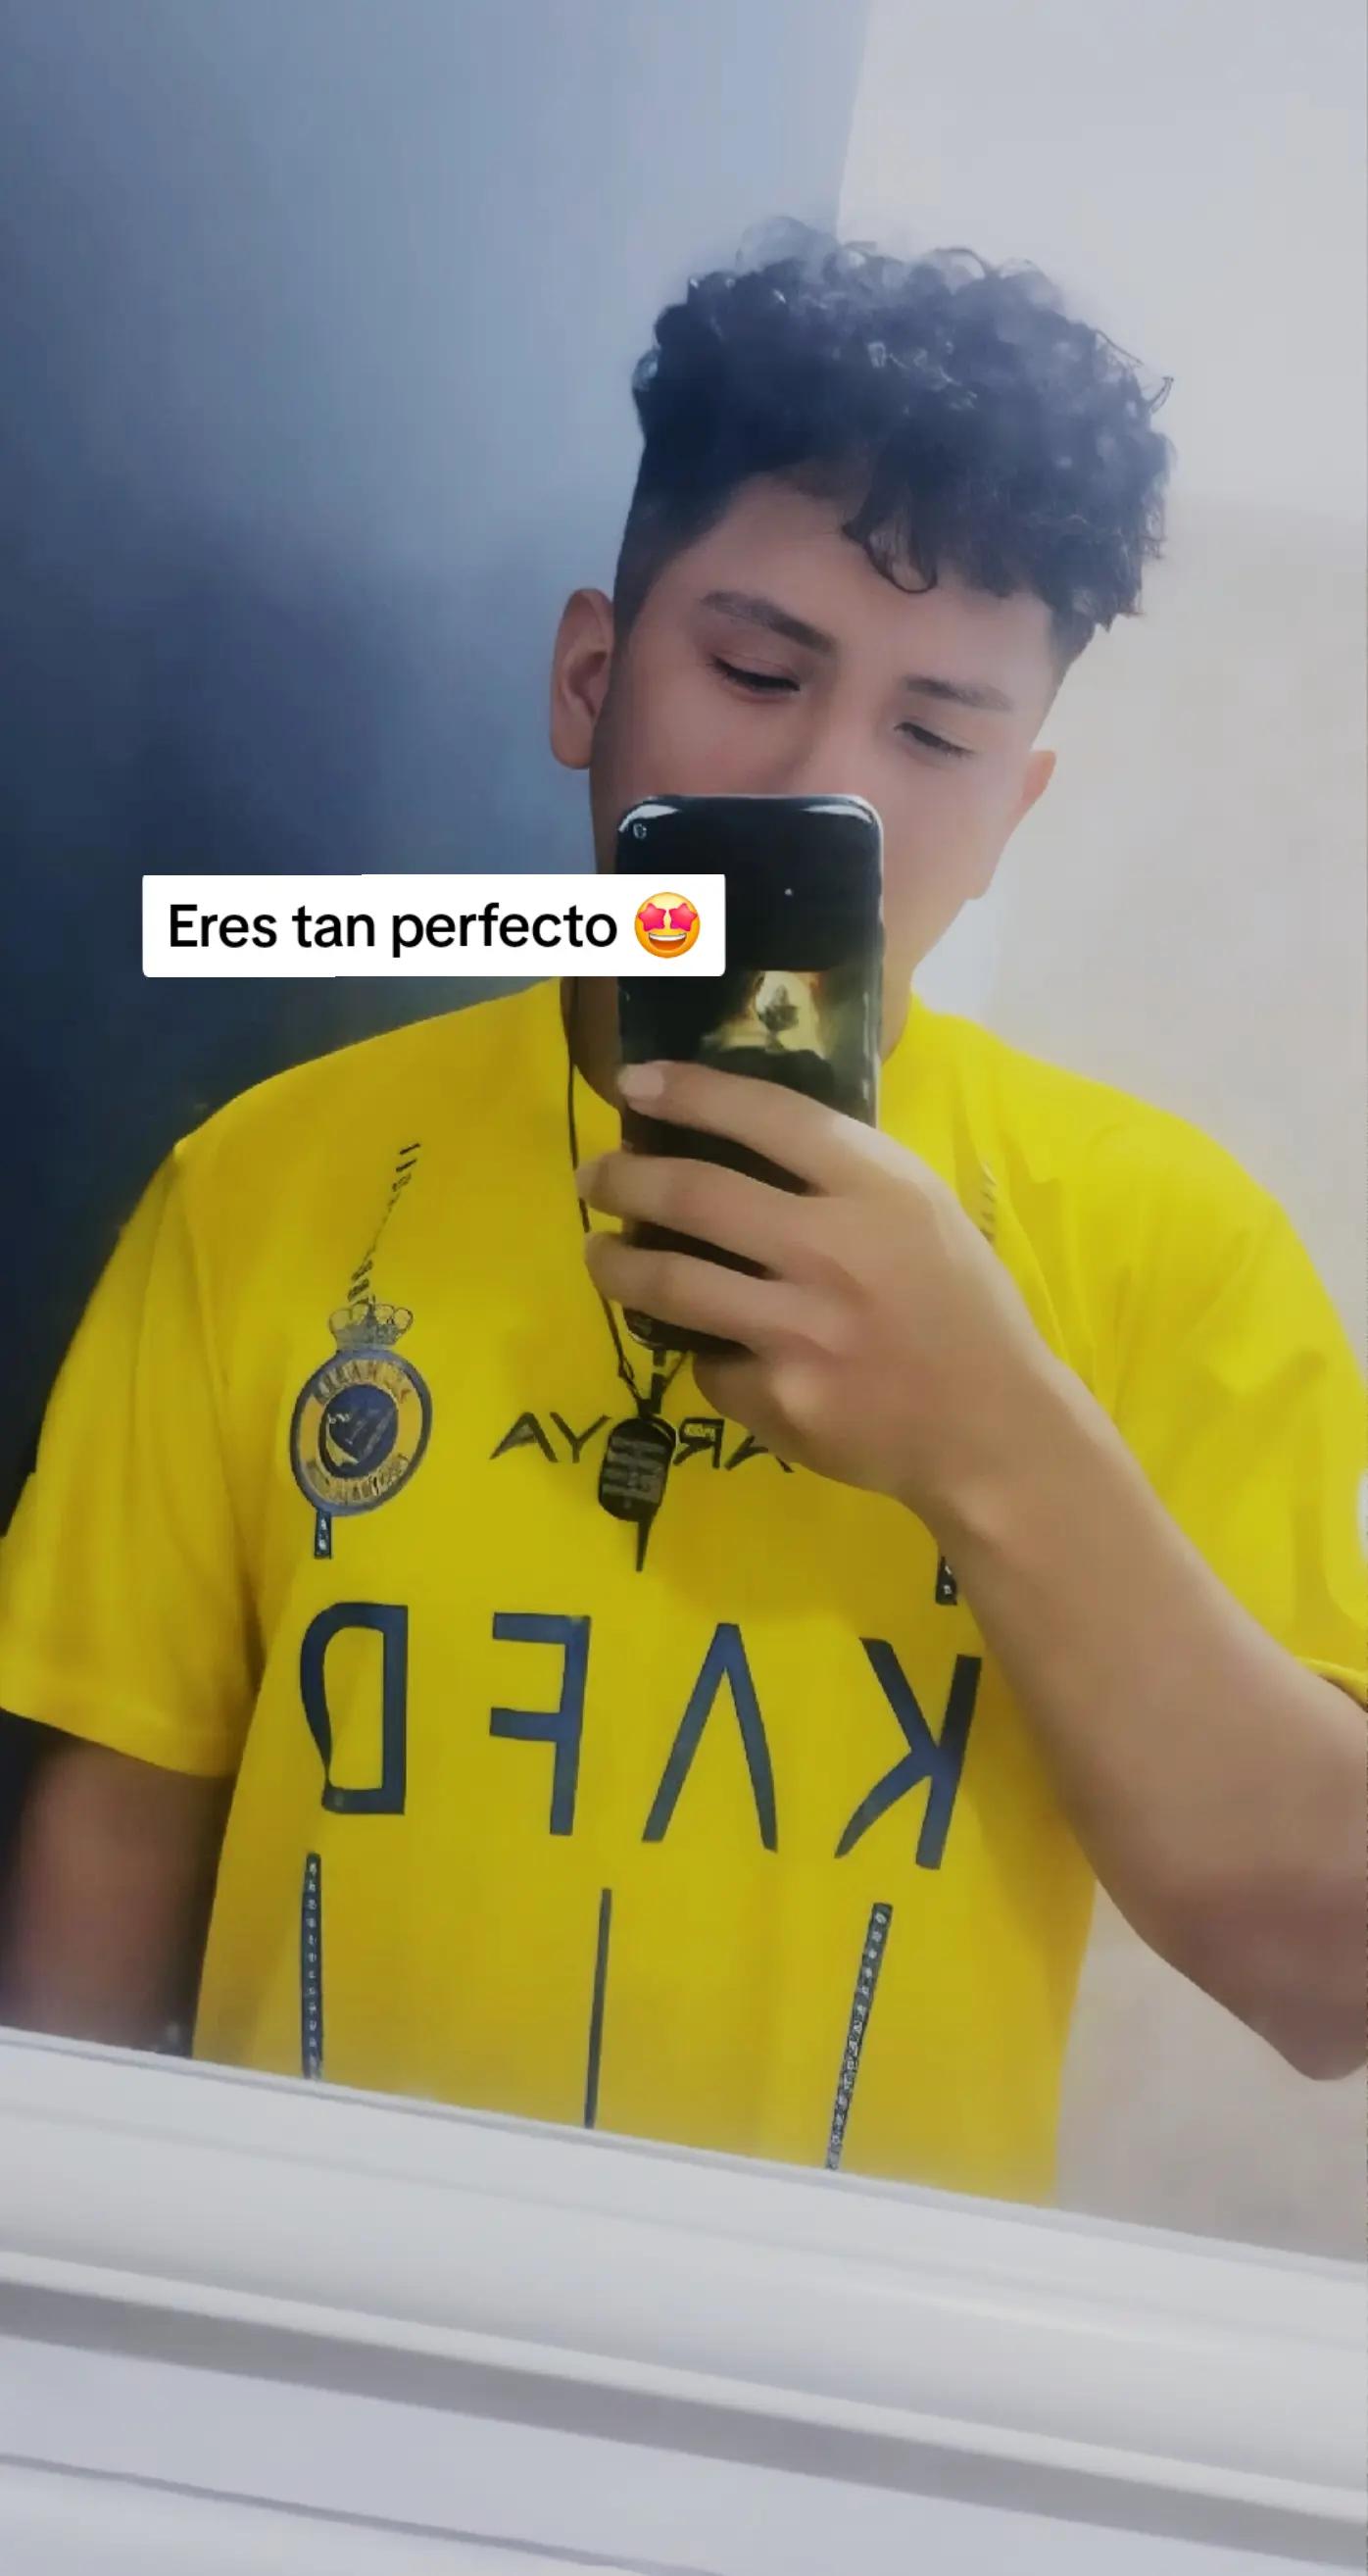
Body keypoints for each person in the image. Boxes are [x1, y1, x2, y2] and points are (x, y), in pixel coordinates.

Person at [0, 232, 1362, 2207]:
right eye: (754, 671)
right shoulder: (266, 1188)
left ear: (1014, 809)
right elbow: (113, 1847)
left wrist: (988, 1435)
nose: (821, 789)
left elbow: (1329, 1978)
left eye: (934, 736)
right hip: (302, 2342)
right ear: (589, 678)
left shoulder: (1170, 1255)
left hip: (833, 2382)